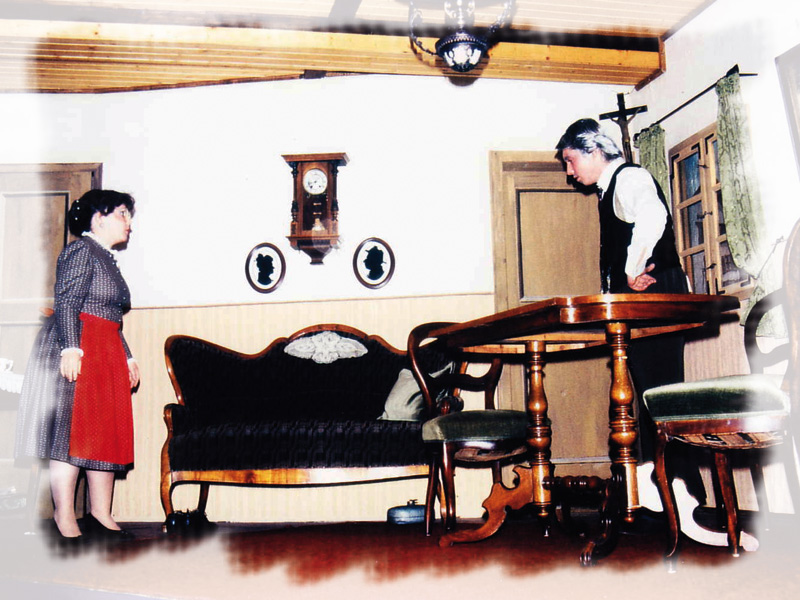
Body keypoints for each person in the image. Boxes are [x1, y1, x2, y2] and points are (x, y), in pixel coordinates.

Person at [555, 118, 705, 502]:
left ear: (593, 151)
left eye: (571, 160)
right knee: (650, 401)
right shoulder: (610, 189)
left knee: (661, 399)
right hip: (640, 299)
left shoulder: (630, 178)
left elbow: (654, 217)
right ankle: (661, 498)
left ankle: (686, 499)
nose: (570, 172)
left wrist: (632, 268)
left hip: (653, 294)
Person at [14, 189, 140, 544]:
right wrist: (71, 347)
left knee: (102, 432)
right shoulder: (81, 251)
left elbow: (111, 317)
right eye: (122, 213)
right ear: (98, 218)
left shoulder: (106, 257)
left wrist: (127, 356)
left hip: (104, 347)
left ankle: (101, 514)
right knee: (70, 433)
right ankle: (64, 516)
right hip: (80, 346)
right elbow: (67, 302)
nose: (128, 223)